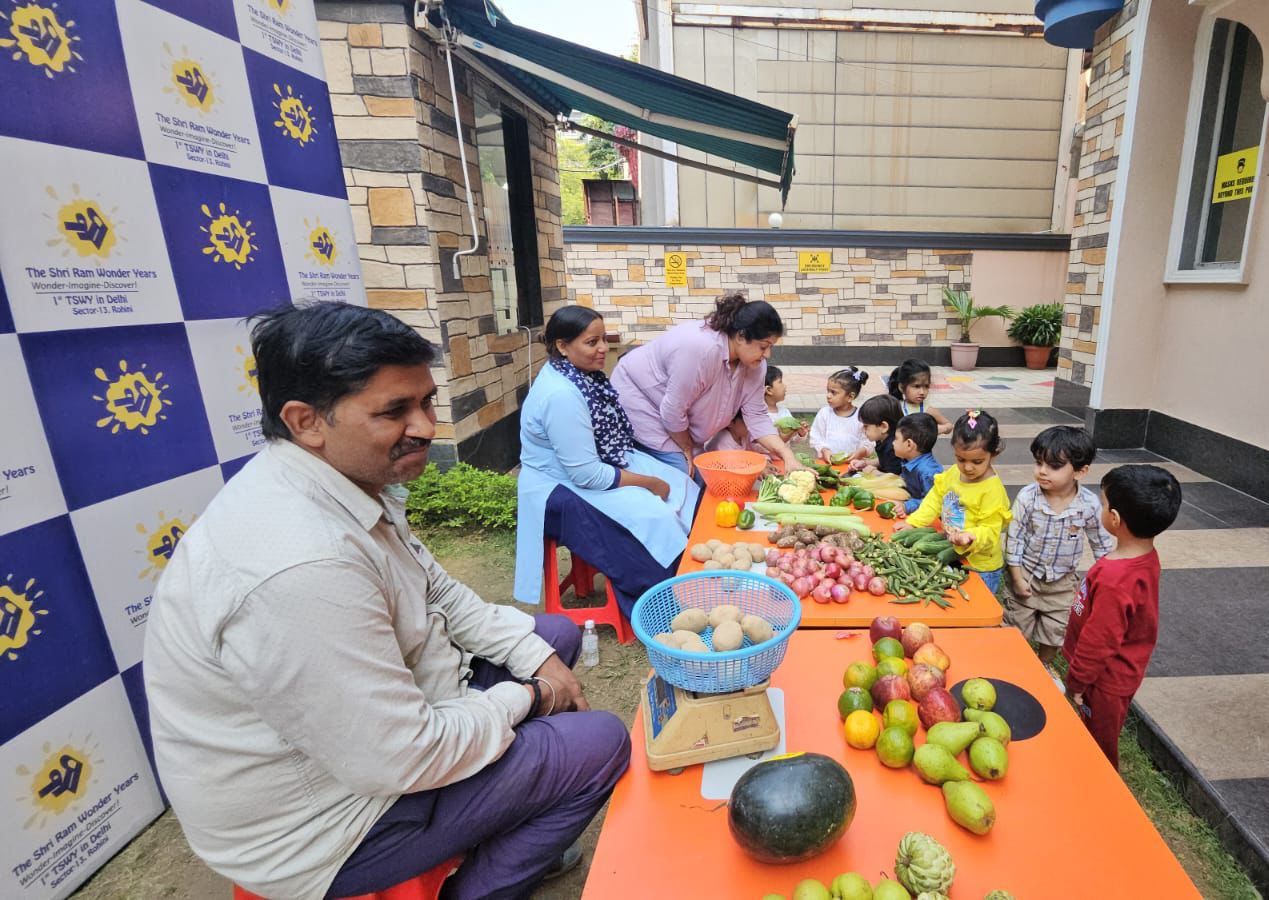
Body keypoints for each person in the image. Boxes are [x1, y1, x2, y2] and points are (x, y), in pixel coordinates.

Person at [143, 302, 630, 900]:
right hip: (328, 823)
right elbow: (402, 757)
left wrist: (537, 665)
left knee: (549, 639)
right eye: (395, 411)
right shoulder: (301, 565)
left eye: (425, 401)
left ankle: (505, 820)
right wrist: (527, 696)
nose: (427, 427)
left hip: (367, 746)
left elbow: (438, 590)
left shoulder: (342, 481)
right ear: (306, 421)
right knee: (599, 742)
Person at [516, 306, 698, 618]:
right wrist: (650, 484)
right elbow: (587, 475)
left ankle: (691, 581)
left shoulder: (582, 376)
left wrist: (655, 480)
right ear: (562, 346)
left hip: (595, 465)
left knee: (683, 485)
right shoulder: (561, 395)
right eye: (591, 342)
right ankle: (661, 608)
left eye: (603, 339)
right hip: (559, 489)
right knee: (653, 516)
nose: (602, 349)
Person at [610, 293, 804, 479]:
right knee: (689, 475)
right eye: (763, 346)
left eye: (771, 347)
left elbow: (757, 415)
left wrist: (788, 456)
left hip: (676, 421)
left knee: (701, 474)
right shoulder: (701, 348)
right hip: (643, 402)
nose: (767, 355)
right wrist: (687, 448)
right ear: (741, 336)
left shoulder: (755, 365)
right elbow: (672, 410)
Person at [1063, 465, 1181, 766]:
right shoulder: (1144, 558)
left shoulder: (1115, 577)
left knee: (1098, 741)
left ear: (1114, 519)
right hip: (1110, 673)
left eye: (1103, 504)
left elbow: (1099, 640)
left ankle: (1099, 786)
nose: (1101, 509)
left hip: (1102, 681)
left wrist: (1076, 683)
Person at [1004, 426, 1115, 681]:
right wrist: (1017, 577)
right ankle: (1013, 665)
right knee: (1016, 624)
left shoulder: (1088, 505)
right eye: (1038, 462)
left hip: (1063, 582)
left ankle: (1043, 666)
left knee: (1055, 629)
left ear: (1080, 470)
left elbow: (1101, 544)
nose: (1042, 471)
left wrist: (1106, 581)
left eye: (1053, 466)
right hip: (1027, 576)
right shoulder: (1028, 498)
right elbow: (1015, 539)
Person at [894, 409, 1011, 593]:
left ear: (993, 454)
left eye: (977, 461)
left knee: (977, 608)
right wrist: (914, 522)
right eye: (960, 459)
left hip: (980, 564)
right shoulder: (954, 474)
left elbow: (991, 530)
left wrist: (971, 536)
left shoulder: (992, 490)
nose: (968, 467)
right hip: (953, 550)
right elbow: (935, 497)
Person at [706, 364, 807, 455]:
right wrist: (785, 438)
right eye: (780, 382)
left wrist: (799, 433)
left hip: (781, 460)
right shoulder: (755, 417)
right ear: (768, 390)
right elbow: (758, 448)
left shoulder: (784, 411)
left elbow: (795, 440)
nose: (785, 386)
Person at [809, 366, 872, 462]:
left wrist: (860, 452)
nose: (828, 396)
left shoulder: (861, 417)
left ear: (850, 397)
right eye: (828, 391)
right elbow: (816, 437)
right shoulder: (824, 413)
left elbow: (869, 442)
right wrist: (823, 450)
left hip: (852, 466)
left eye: (833, 393)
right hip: (826, 465)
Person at [893, 413, 941, 517]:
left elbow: (933, 502)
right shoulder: (909, 460)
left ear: (909, 444)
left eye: (896, 438)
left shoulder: (928, 472)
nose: (893, 443)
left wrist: (906, 506)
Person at [887, 358, 952, 435]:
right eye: (916, 386)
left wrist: (940, 429)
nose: (922, 392)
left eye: (926, 386)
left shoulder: (928, 410)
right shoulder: (896, 408)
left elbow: (949, 425)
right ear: (901, 387)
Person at [850, 394, 903, 475]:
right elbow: (884, 461)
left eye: (866, 426)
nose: (862, 430)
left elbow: (895, 479)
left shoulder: (894, 448)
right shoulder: (882, 439)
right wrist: (865, 463)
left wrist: (875, 473)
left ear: (883, 427)